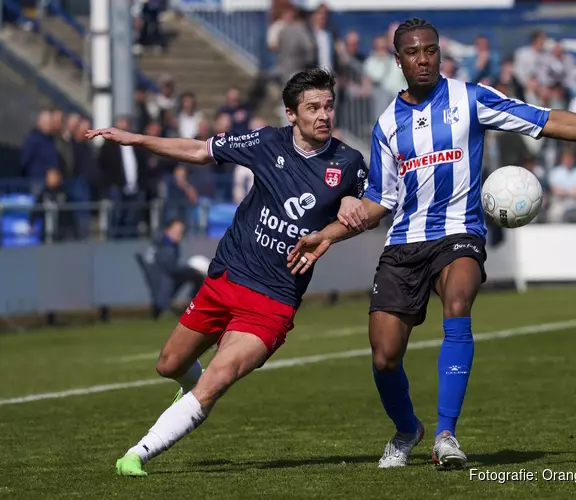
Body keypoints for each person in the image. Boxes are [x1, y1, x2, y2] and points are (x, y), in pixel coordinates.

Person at [287, 18, 576, 470]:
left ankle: (446, 435)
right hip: (405, 242)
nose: (423, 59)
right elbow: (379, 201)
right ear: (397, 60)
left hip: (461, 232)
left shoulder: (472, 98)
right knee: (385, 357)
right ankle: (408, 430)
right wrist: (327, 235)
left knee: (459, 301)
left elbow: (545, 121)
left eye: (430, 50)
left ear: (440, 53)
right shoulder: (387, 125)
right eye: (413, 52)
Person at [86, 68, 369, 477]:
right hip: (227, 278)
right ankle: (189, 393)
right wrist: (137, 139)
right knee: (169, 364)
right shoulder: (266, 141)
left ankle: (138, 452)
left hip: (274, 300)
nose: (323, 115)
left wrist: (348, 206)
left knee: (218, 377)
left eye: (328, 106)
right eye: (312, 108)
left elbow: (368, 211)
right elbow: (201, 150)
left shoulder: (348, 162)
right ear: (291, 114)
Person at [138, 218, 204, 319]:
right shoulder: (165, 246)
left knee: (195, 276)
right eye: (176, 231)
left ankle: (192, 304)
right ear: (167, 231)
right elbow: (171, 268)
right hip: (162, 284)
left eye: (181, 232)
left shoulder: (167, 244)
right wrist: (192, 269)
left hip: (162, 282)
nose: (178, 234)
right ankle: (169, 309)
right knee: (195, 274)